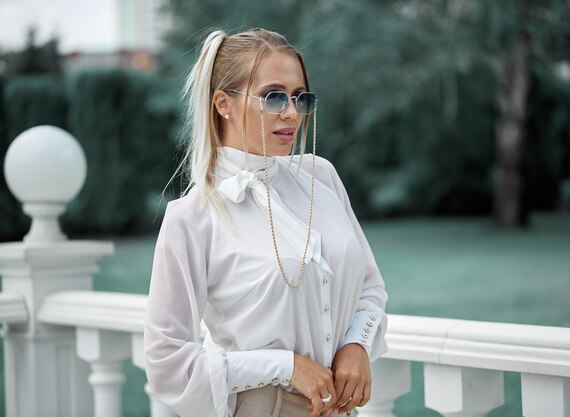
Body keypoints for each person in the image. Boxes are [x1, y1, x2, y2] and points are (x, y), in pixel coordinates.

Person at [143, 28, 388, 417]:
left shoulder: (320, 178)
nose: (291, 112)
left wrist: (356, 345)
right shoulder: (192, 218)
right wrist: (285, 366)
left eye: (299, 97)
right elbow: (166, 363)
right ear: (223, 103)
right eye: (274, 97)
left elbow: (369, 288)